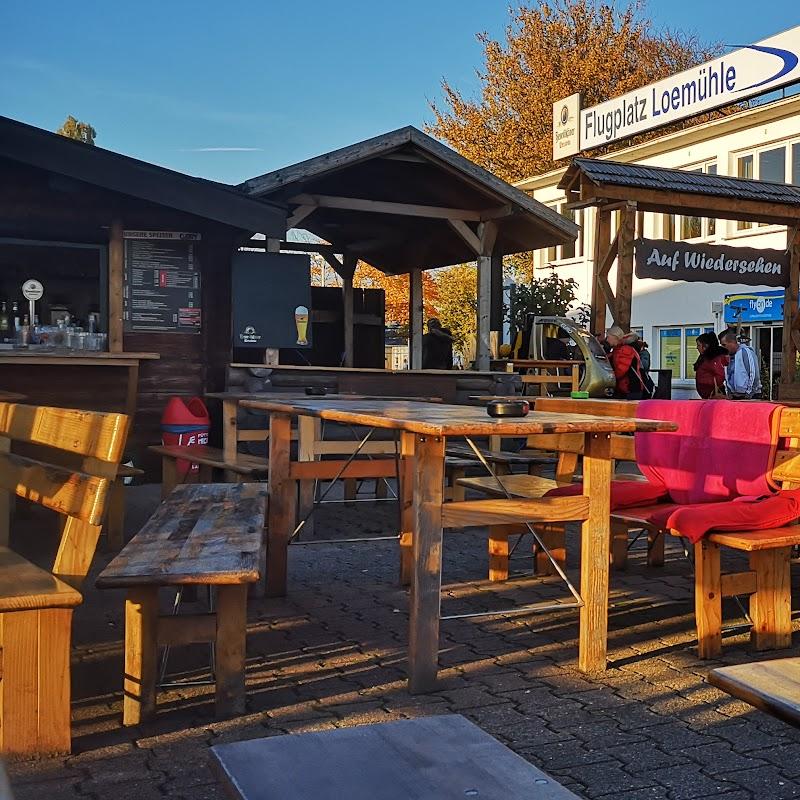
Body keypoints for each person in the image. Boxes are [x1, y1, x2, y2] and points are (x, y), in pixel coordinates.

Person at [606, 325, 651, 399]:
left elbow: (620, 371)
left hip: (631, 389)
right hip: (628, 389)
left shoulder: (625, 350)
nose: (607, 340)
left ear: (614, 337)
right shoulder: (619, 350)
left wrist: (609, 377)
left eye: (608, 337)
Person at [720, 331, 761, 399]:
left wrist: (749, 393)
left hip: (748, 396)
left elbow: (754, 374)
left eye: (724, 345)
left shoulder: (746, 352)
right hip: (735, 395)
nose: (722, 347)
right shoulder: (728, 355)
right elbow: (728, 375)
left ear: (733, 343)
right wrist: (729, 392)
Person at [693, 332, 729, 399]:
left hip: (713, 395)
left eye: (698, 345)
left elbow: (720, 376)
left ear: (705, 346)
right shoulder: (704, 357)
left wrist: (705, 383)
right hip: (707, 395)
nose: (697, 348)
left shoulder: (713, 358)